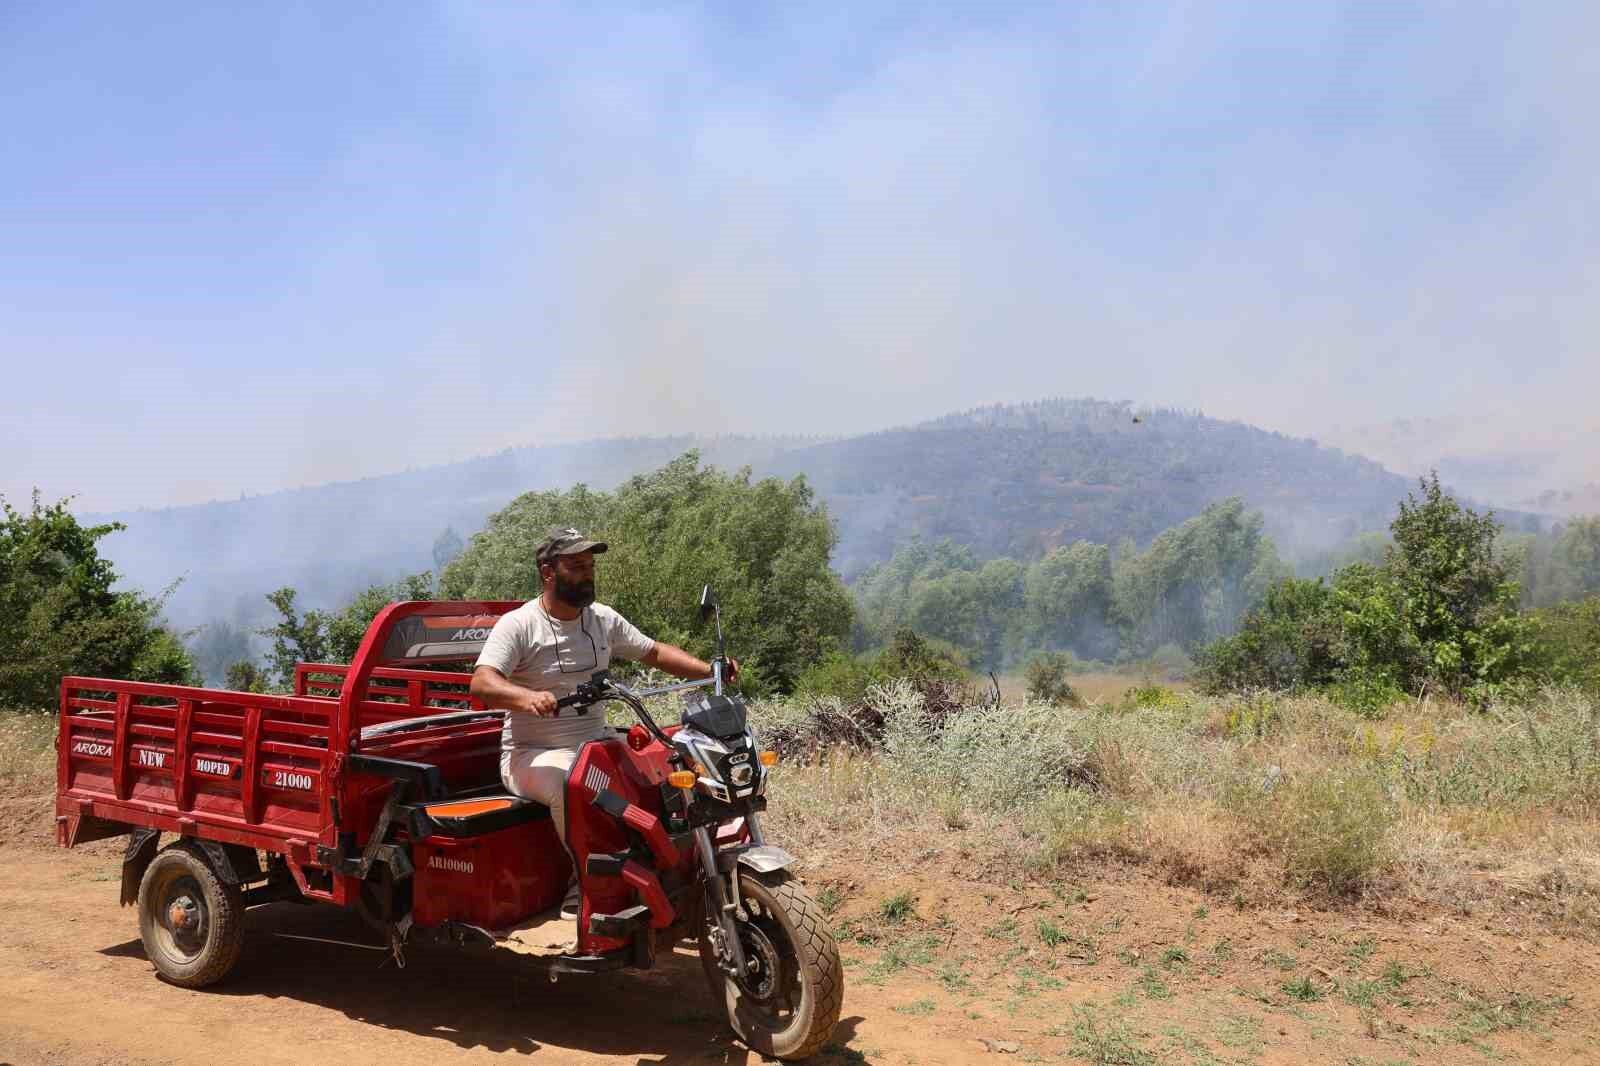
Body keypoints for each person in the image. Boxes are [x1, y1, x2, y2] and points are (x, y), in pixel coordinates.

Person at [469, 526, 736, 919]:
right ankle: (586, 886)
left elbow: (655, 652)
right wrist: (527, 697)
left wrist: (711, 670)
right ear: (548, 572)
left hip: (598, 745)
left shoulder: (602, 620)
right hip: (533, 754)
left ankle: (672, 868)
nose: (587, 573)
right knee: (574, 784)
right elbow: (482, 681)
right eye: (576, 566)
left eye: (590, 565)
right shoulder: (520, 624)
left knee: (669, 769)